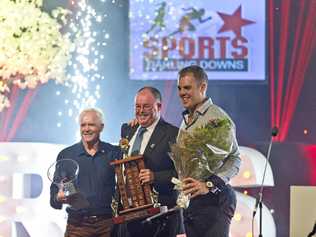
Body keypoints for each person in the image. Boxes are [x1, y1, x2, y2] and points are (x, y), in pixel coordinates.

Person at [176, 65, 241, 237]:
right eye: (180, 88)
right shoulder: (186, 120)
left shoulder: (217, 118)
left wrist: (209, 184)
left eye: (187, 87)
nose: (182, 92)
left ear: (202, 87)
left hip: (215, 200)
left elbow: (235, 159)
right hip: (193, 201)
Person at [121, 86, 184, 237]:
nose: (141, 111)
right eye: (137, 106)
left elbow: (183, 174)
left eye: (146, 106)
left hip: (160, 219)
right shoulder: (127, 129)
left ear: (159, 106)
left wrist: (155, 176)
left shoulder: (174, 134)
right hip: (130, 215)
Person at [50, 108, 121, 237]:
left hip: (108, 226)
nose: (86, 129)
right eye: (83, 125)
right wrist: (58, 197)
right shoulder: (66, 155)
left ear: (101, 127)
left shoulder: (114, 152)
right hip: (77, 226)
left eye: (91, 124)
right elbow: (54, 193)